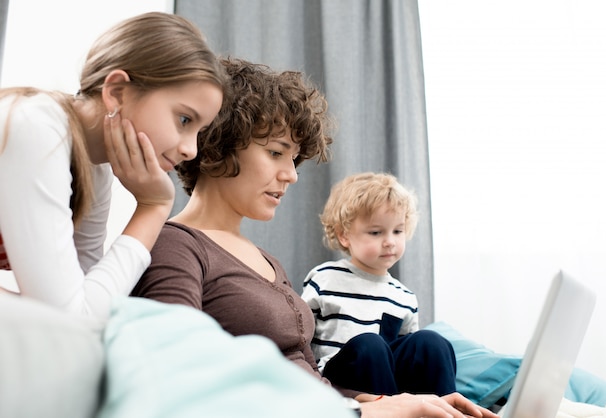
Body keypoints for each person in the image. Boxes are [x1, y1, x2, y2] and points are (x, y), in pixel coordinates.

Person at [132, 57, 498, 418]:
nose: (291, 175)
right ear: (217, 145)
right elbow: (175, 375)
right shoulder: (175, 244)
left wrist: (375, 402)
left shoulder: (266, 261)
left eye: (293, 159)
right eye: (276, 153)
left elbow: (308, 377)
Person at [0, 12, 226, 318]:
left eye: (198, 131)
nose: (190, 149)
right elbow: (71, 318)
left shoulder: (93, 166)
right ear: (117, 92)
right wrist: (153, 207)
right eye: (184, 119)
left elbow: (91, 298)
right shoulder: (37, 127)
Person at [301, 171, 457, 396]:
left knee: (431, 342)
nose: (390, 242)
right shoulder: (324, 278)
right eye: (376, 232)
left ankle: (444, 410)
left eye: (398, 231)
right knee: (370, 345)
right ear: (344, 235)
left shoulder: (404, 296)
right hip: (338, 386)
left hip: (387, 385)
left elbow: (409, 361)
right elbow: (298, 339)